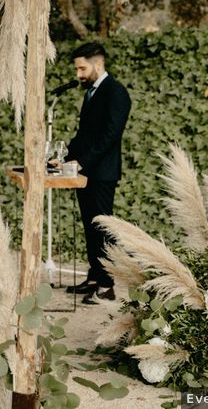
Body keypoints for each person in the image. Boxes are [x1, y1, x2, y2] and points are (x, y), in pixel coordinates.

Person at [61, 42, 132, 305]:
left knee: (102, 228)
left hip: (102, 173)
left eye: (82, 68)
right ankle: (93, 277)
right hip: (85, 172)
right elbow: (85, 135)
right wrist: (65, 158)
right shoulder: (90, 92)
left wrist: (82, 163)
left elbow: (110, 136)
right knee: (90, 228)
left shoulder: (116, 92)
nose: (78, 74)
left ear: (98, 64)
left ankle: (107, 284)